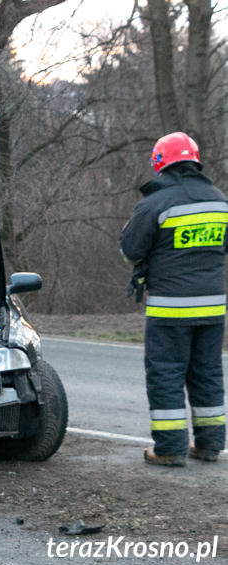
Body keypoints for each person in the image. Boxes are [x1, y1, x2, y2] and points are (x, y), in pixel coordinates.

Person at [120, 131, 227, 466]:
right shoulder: (219, 201)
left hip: (170, 308)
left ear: (160, 163)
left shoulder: (155, 203)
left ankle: (169, 449)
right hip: (213, 307)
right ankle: (210, 445)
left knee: (166, 374)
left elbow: (130, 250)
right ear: (195, 161)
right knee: (207, 373)